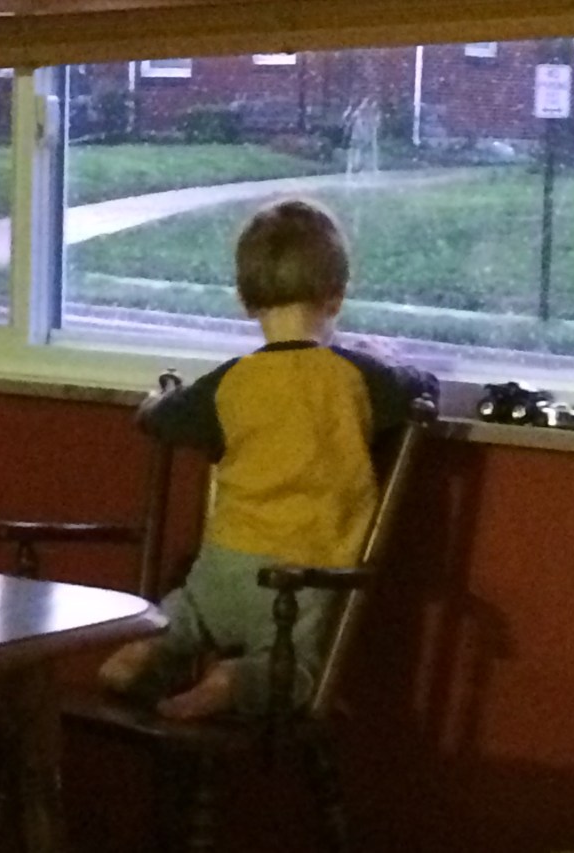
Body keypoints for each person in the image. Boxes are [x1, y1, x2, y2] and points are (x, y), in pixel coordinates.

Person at [99, 197, 438, 720]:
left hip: (222, 568)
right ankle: (231, 681)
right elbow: (423, 389)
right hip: (300, 581)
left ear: (245, 300)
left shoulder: (231, 381)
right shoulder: (359, 378)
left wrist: (155, 401)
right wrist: (388, 359)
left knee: (183, 618)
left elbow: (164, 419)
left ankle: (144, 651)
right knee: (291, 670)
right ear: (336, 297)